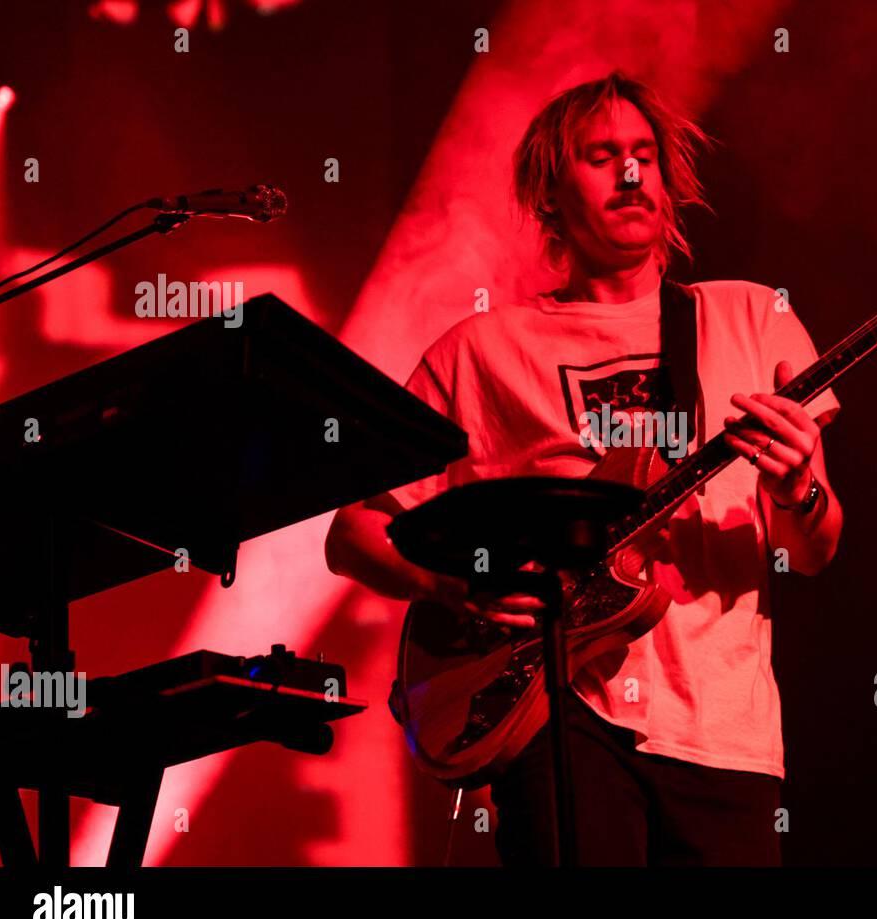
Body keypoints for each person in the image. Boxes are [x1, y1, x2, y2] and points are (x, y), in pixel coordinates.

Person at [325, 71, 843, 866]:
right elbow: (354, 531)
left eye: (643, 155)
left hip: (725, 732)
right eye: (602, 156)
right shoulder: (481, 351)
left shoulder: (749, 316)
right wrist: (459, 588)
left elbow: (813, 550)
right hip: (560, 715)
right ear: (550, 195)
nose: (631, 173)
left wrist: (798, 488)